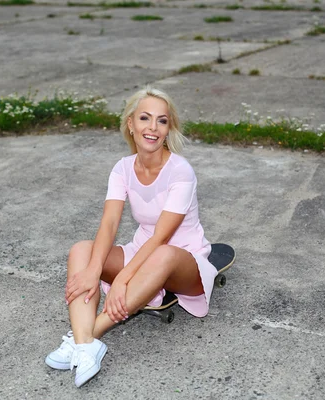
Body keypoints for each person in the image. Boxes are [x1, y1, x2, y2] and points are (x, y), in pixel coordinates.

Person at [45, 87, 217, 387]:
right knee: (81, 251)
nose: (152, 127)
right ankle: (87, 346)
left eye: (162, 121)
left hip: (181, 257)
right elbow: (110, 223)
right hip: (141, 250)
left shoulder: (181, 171)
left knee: (161, 255)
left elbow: (162, 238)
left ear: (168, 129)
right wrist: (92, 271)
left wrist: (122, 279)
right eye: (145, 118)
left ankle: (83, 338)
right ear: (131, 124)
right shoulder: (122, 168)